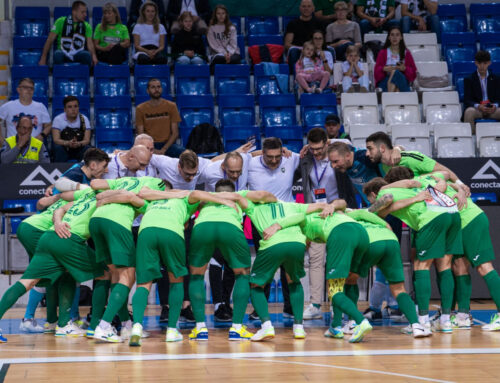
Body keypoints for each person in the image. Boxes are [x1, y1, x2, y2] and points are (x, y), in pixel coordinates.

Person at [384, 167, 500, 332]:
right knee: (458, 267)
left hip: (468, 219)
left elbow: (447, 177)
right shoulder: (428, 181)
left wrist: (460, 191)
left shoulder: (416, 185)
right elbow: (447, 177)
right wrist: (459, 188)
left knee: (484, 266)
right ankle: (462, 316)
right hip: (459, 220)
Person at [0, 187, 116, 341]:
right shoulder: (106, 202)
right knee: (105, 273)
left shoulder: (81, 198)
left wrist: (58, 223)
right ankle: (94, 326)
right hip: (67, 238)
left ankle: (60, 322)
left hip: (48, 235)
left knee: (30, 281)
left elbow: (56, 207)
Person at [128, 185, 235, 345]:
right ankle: (171, 330)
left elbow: (136, 195)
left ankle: (136, 326)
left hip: (147, 231)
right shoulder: (185, 199)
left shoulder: (153, 202)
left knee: (144, 283)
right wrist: (225, 201)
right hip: (171, 231)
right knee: (176, 281)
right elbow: (197, 193)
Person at [364, 176, 463, 333]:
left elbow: (385, 200)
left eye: (369, 199)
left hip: (432, 217)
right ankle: (446, 321)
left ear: (373, 194)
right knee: (445, 266)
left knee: (420, 265)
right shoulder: (417, 185)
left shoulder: (386, 191)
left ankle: (422, 321)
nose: (371, 202)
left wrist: (368, 211)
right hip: (453, 213)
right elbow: (436, 182)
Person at [89, 175, 166, 343]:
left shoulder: (123, 180)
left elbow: (96, 187)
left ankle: (126, 325)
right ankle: (103, 326)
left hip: (96, 220)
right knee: (128, 276)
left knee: (116, 276)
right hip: (117, 223)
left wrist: (110, 195)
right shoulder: (155, 184)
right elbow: (145, 196)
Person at [188, 180, 259, 341]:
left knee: (196, 275)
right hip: (230, 227)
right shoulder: (238, 196)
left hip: (203, 227)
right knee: (242, 274)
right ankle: (237, 328)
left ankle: (200, 328)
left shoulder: (205, 197)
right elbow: (262, 195)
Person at [299, 128, 356, 319]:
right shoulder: (306, 159)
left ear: (327, 143)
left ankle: (335, 302)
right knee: (315, 259)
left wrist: (331, 141)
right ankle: (315, 304)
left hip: (338, 210)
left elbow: (351, 146)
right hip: (316, 213)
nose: (316, 152)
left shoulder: (337, 153)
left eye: (320, 148)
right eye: (312, 148)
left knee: (337, 259)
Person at [364, 131, 470, 196]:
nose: (367, 154)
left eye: (370, 149)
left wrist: (461, 185)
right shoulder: (384, 166)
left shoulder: (411, 158)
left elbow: (444, 171)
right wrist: (398, 148)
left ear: (382, 148)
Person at [39, 1, 97, 67]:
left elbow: (90, 44)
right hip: (63, 52)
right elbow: (49, 40)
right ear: (74, 12)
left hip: (78, 53)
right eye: (82, 12)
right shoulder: (60, 21)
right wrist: (43, 58)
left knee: (86, 55)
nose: (85, 15)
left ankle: (82, 75)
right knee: (57, 54)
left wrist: (94, 56)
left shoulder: (87, 26)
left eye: (85, 12)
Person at [135, 79, 184, 157]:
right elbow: (141, 135)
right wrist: (152, 150)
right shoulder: (140, 109)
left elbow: (175, 133)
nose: (156, 89)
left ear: (161, 89)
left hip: (168, 145)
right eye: (153, 87)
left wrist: (164, 149)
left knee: (186, 154)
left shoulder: (171, 106)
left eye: (158, 87)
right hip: (149, 145)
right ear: (148, 90)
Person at [0, 78, 51, 143]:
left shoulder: (40, 107)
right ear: (18, 90)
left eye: (31, 88)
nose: (29, 90)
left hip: (34, 147)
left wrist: (41, 135)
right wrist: (1, 140)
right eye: (25, 87)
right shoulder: (8, 106)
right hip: (12, 147)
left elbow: (48, 125)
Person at [463, 50, 500, 134]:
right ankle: (471, 140)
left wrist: (495, 105)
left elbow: (499, 98)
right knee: (469, 112)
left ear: (489, 63)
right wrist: (478, 106)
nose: (482, 66)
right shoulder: (469, 79)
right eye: (480, 63)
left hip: (492, 110)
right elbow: (467, 100)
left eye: (485, 63)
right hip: (477, 110)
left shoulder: (496, 79)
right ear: (476, 63)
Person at [285, 0, 323, 74]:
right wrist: (303, 49)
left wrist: (312, 49)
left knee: (327, 52)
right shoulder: (292, 23)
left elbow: (323, 41)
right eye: (304, 6)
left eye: (309, 6)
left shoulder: (319, 23)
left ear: (313, 8)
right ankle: (296, 79)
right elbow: (287, 44)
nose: (306, 9)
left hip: (315, 50)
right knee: (293, 52)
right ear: (300, 8)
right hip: (298, 50)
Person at [374, 26, 417, 92]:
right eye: (392, 35)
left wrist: (405, 69)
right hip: (385, 82)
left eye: (397, 35)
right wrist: (383, 69)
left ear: (401, 37)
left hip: (402, 81)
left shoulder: (407, 53)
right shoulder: (383, 52)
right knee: (396, 89)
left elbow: (413, 75)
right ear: (389, 37)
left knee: (396, 73)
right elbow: (376, 74)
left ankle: (389, 100)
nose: (394, 37)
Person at [51, 96, 92, 163]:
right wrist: (67, 143)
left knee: (88, 149)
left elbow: (87, 140)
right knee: (58, 148)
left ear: (78, 108)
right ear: (64, 109)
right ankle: (59, 171)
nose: (73, 109)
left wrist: (78, 144)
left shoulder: (84, 119)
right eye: (70, 107)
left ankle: (85, 172)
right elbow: (56, 140)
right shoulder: (58, 119)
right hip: (64, 147)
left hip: (79, 147)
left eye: (75, 106)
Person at [206, 4, 240, 70]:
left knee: (236, 59)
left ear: (226, 14)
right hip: (218, 54)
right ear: (215, 15)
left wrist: (228, 54)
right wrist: (224, 54)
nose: (221, 16)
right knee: (219, 59)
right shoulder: (211, 29)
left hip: (232, 53)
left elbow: (233, 44)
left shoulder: (232, 28)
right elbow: (214, 46)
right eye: (218, 13)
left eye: (223, 13)